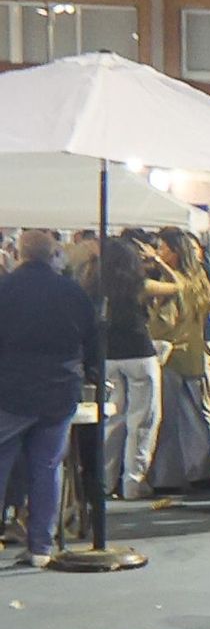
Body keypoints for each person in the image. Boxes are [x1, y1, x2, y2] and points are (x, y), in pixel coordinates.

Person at [0, 230, 98, 567]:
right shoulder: (73, 293)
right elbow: (92, 340)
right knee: (47, 467)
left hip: (9, 392)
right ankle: (41, 545)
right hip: (59, 391)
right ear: (53, 253)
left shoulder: (4, 289)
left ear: (18, 253)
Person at [102, 238, 181, 501]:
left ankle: (105, 481)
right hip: (139, 353)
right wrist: (158, 262)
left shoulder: (96, 283)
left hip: (108, 355)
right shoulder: (140, 285)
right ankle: (133, 483)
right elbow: (178, 286)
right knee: (143, 420)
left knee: (113, 420)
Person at [146, 226, 210, 491]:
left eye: (163, 248)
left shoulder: (173, 288)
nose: (159, 252)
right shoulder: (200, 279)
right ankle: (200, 469)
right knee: (196, 416)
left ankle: (167, 476)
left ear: (174, 252)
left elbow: (163, 324)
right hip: (194, 354)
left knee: (168, 419)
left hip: (172, 353)